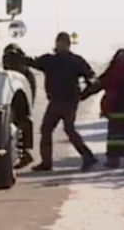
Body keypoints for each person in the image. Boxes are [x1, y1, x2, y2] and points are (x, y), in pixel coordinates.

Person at [24, 32, 98, 172]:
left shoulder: (74, 60)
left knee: (67, 129)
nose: (61, 45)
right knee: (48, 129)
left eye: (63, 43)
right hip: (57, 100)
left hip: (68, 100)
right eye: (60, 42)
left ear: (68, 45)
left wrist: (85, 93)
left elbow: (92, 77)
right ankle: (47, 162)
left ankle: (87, 156)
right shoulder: (52, 60)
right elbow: (33, 62)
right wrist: (20, 56)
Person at [81, 49, 124, 168]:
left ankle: (114, 160)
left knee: (115, 138)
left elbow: (98, 84)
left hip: (116, 109)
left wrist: (81, 96)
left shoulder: (112, 71)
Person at [2, 43, 36, 168]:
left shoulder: (23, 72)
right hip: (18, 100)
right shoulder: (23, 70)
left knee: (18, 126)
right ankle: (22, 154)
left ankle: (23, 154)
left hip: (19, 101)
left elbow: (29, 90)